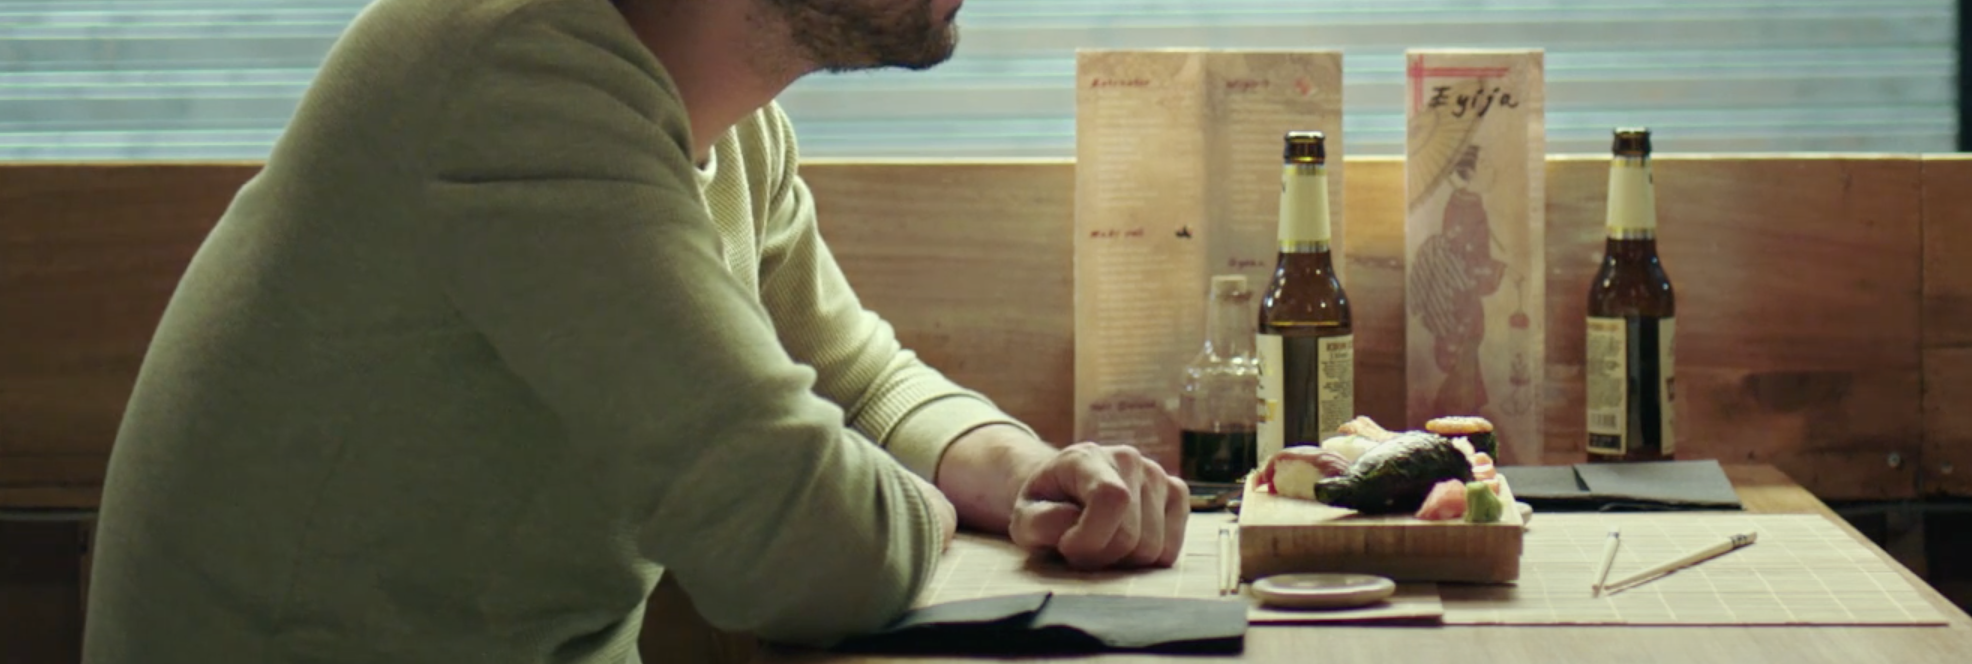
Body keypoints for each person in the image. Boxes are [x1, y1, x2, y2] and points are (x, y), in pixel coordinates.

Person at [80, 1, 1189, 662]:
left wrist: (1022, 468)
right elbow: (803, 551)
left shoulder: (726, 125)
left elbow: (859, 378)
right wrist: (925, 507)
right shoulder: (516, 80)